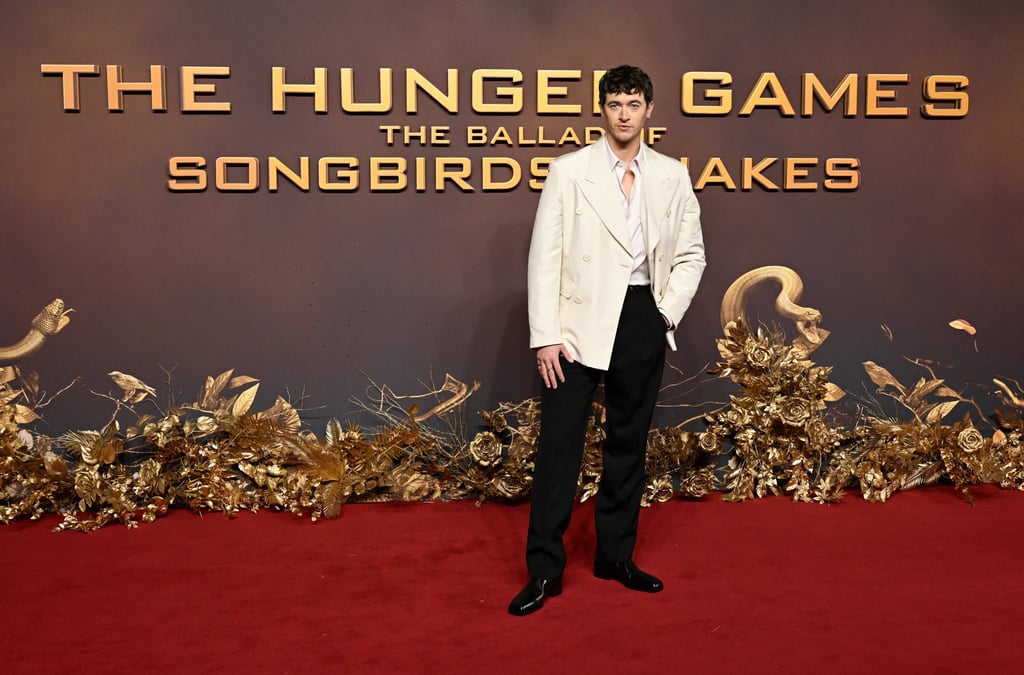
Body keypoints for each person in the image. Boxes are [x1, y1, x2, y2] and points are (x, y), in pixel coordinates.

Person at [509, 65, 706, 616]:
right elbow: (544, 257)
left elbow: (692, 254)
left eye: (633, 103)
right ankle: (544, 572)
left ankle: (615, 557)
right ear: (603, 110)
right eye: (614, 103)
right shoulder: (569, 170)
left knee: (628, 443)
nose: (623, 113)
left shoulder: (670, 175)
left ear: (649, 110)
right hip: (576, 324)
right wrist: (545, 336)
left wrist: (664, 315)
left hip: (642, 313)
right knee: (559, 449)